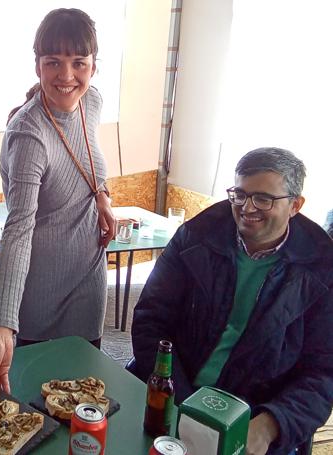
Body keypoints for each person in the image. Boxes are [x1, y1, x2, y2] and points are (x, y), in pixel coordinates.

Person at [131, 148, 333, 455]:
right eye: (239, 194)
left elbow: (323, 373)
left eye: (264, 198)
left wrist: (270, 425)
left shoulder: (322, 268)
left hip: (256, 418)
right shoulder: (195, 237)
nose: (246, 207)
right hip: (175, 394)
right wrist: (180, 400)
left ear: (295, 205)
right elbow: (150, 319)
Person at [0, 8, 117, 393]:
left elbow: (89, 157)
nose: (67, 76)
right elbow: (18, 230)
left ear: (93, 65)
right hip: (40, 289)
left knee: (85, 394)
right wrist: (1, 326)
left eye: (79, 63)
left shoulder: (92, 102)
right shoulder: (29, 135)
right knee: (33, 402)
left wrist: (101, 195)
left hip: (88, 275)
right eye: (53, 62)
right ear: (37, 65)